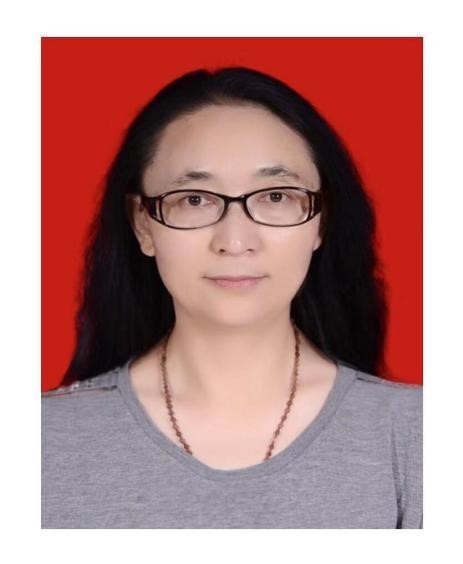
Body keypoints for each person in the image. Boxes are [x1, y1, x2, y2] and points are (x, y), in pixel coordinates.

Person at [42, 66, 422, 529]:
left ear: (321, 220)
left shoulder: (417, 435)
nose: (235, 241)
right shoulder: (42, 442)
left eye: (276, 196)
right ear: (143, 224)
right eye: (194, 199)